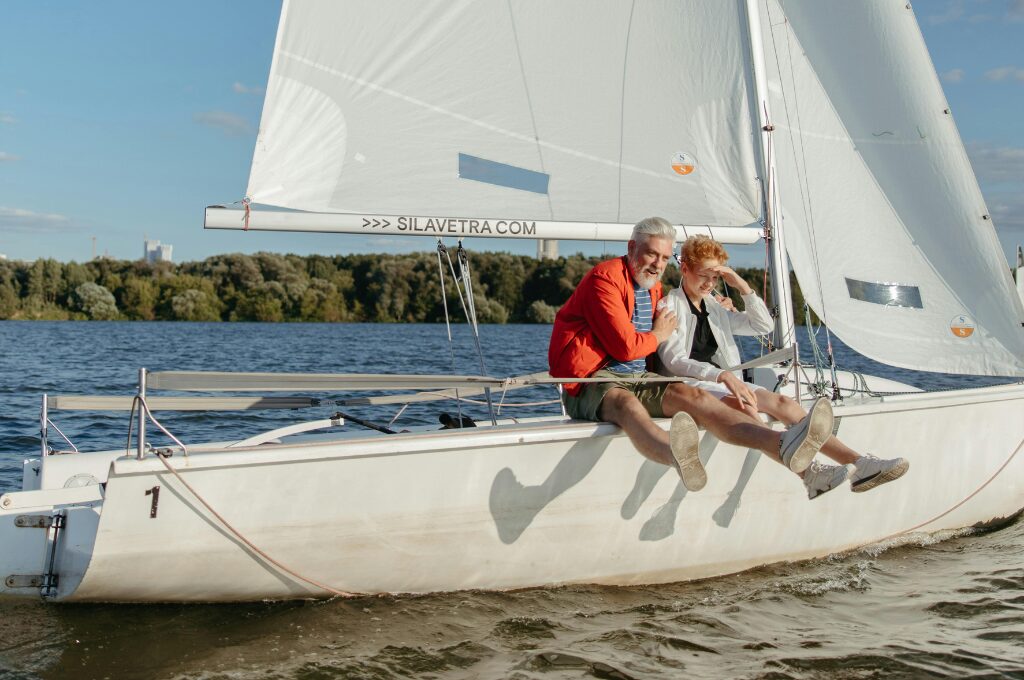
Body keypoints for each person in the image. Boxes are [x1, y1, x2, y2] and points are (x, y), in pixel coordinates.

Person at [548, 216, 835, 494]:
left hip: (639, 376)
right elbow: (627, 347)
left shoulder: (653, 288)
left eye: (664, 257)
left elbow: (758, 324)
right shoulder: (605, 279)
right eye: (651, 254)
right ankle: (677, 456)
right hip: (592, 379)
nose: (658, 264)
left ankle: (784, 444)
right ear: (631, 248)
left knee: (695, 397)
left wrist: (726, 297)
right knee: (625, 404)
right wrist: (660, 334)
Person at [656, 234, 909, 499]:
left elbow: (763, 326)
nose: (709, 283)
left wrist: (742, 286)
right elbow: (674, 360)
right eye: (704, 275)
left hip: (723, 380)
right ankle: (809, 474)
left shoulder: (715, 307)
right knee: (748, 407)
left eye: (715, 277)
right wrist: (722, 376)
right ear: (684, 269)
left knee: (786, 404)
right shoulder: (669, 305)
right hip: (692, 385)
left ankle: (860, 464)